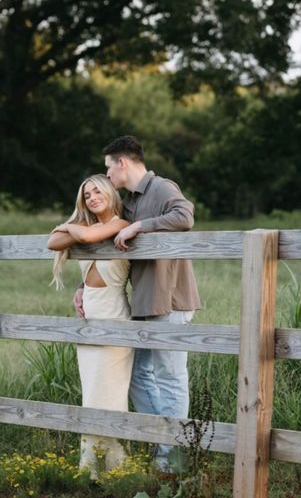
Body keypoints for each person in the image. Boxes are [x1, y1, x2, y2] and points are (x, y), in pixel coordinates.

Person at [73, 135, 200, 473]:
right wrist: (82, 285)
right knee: (140, 375)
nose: (107, 175)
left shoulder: (161, 189)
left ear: (122, 163)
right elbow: (108, 247)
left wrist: (143, 226)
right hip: (143, 303)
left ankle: (175, 458)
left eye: (108, 168)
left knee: (170, 375)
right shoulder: (128, 201)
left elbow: (185, 216)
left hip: (170, 299)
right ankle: (164, 446)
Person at [47, 174, 133, 479]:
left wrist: (71, 226)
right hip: (88, 316)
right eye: (86, 195)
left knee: (108, 393)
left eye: (98, 191)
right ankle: (90, 465)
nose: (92, 197)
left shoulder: (120, 225)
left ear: (110, 193)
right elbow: (52, 242)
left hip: (113, 315)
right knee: (91, 392)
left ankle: (112, 466)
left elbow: (82, 239)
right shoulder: (87, 227)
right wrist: (76, 227)